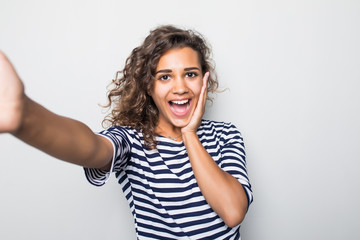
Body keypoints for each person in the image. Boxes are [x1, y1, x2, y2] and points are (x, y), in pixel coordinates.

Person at [0, 25, 253, 239]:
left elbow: (233, 211)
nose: (180, 87)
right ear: (148, 87)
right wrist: (25, 116)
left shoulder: (225, 135)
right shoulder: (132, 140)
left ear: (203, 81)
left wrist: (189, 134)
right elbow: (91, 146)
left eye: (190, 74)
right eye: (165, 77)